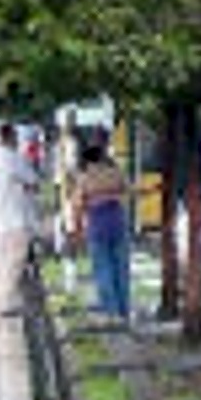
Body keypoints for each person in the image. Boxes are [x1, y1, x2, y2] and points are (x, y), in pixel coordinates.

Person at [70, 130, 132, 323]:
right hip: (117, 220)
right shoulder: (116, 170)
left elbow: (78, 205)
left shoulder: (85, 175)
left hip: (97, 224)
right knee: (120, 269)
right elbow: (127, 190)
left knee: (103, 269)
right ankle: (123, 310)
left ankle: (111, 312)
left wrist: (77, 231)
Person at [0, 122, 40, 312]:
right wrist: (29, 185)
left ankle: (4, 299)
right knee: (15, 260)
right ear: (9, 137)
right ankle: (6, 302)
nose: (17, 140)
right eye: (15, 136)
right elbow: (32, 179)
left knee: (5, 261)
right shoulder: (12, 158)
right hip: (15, 218)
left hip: (2, 218)